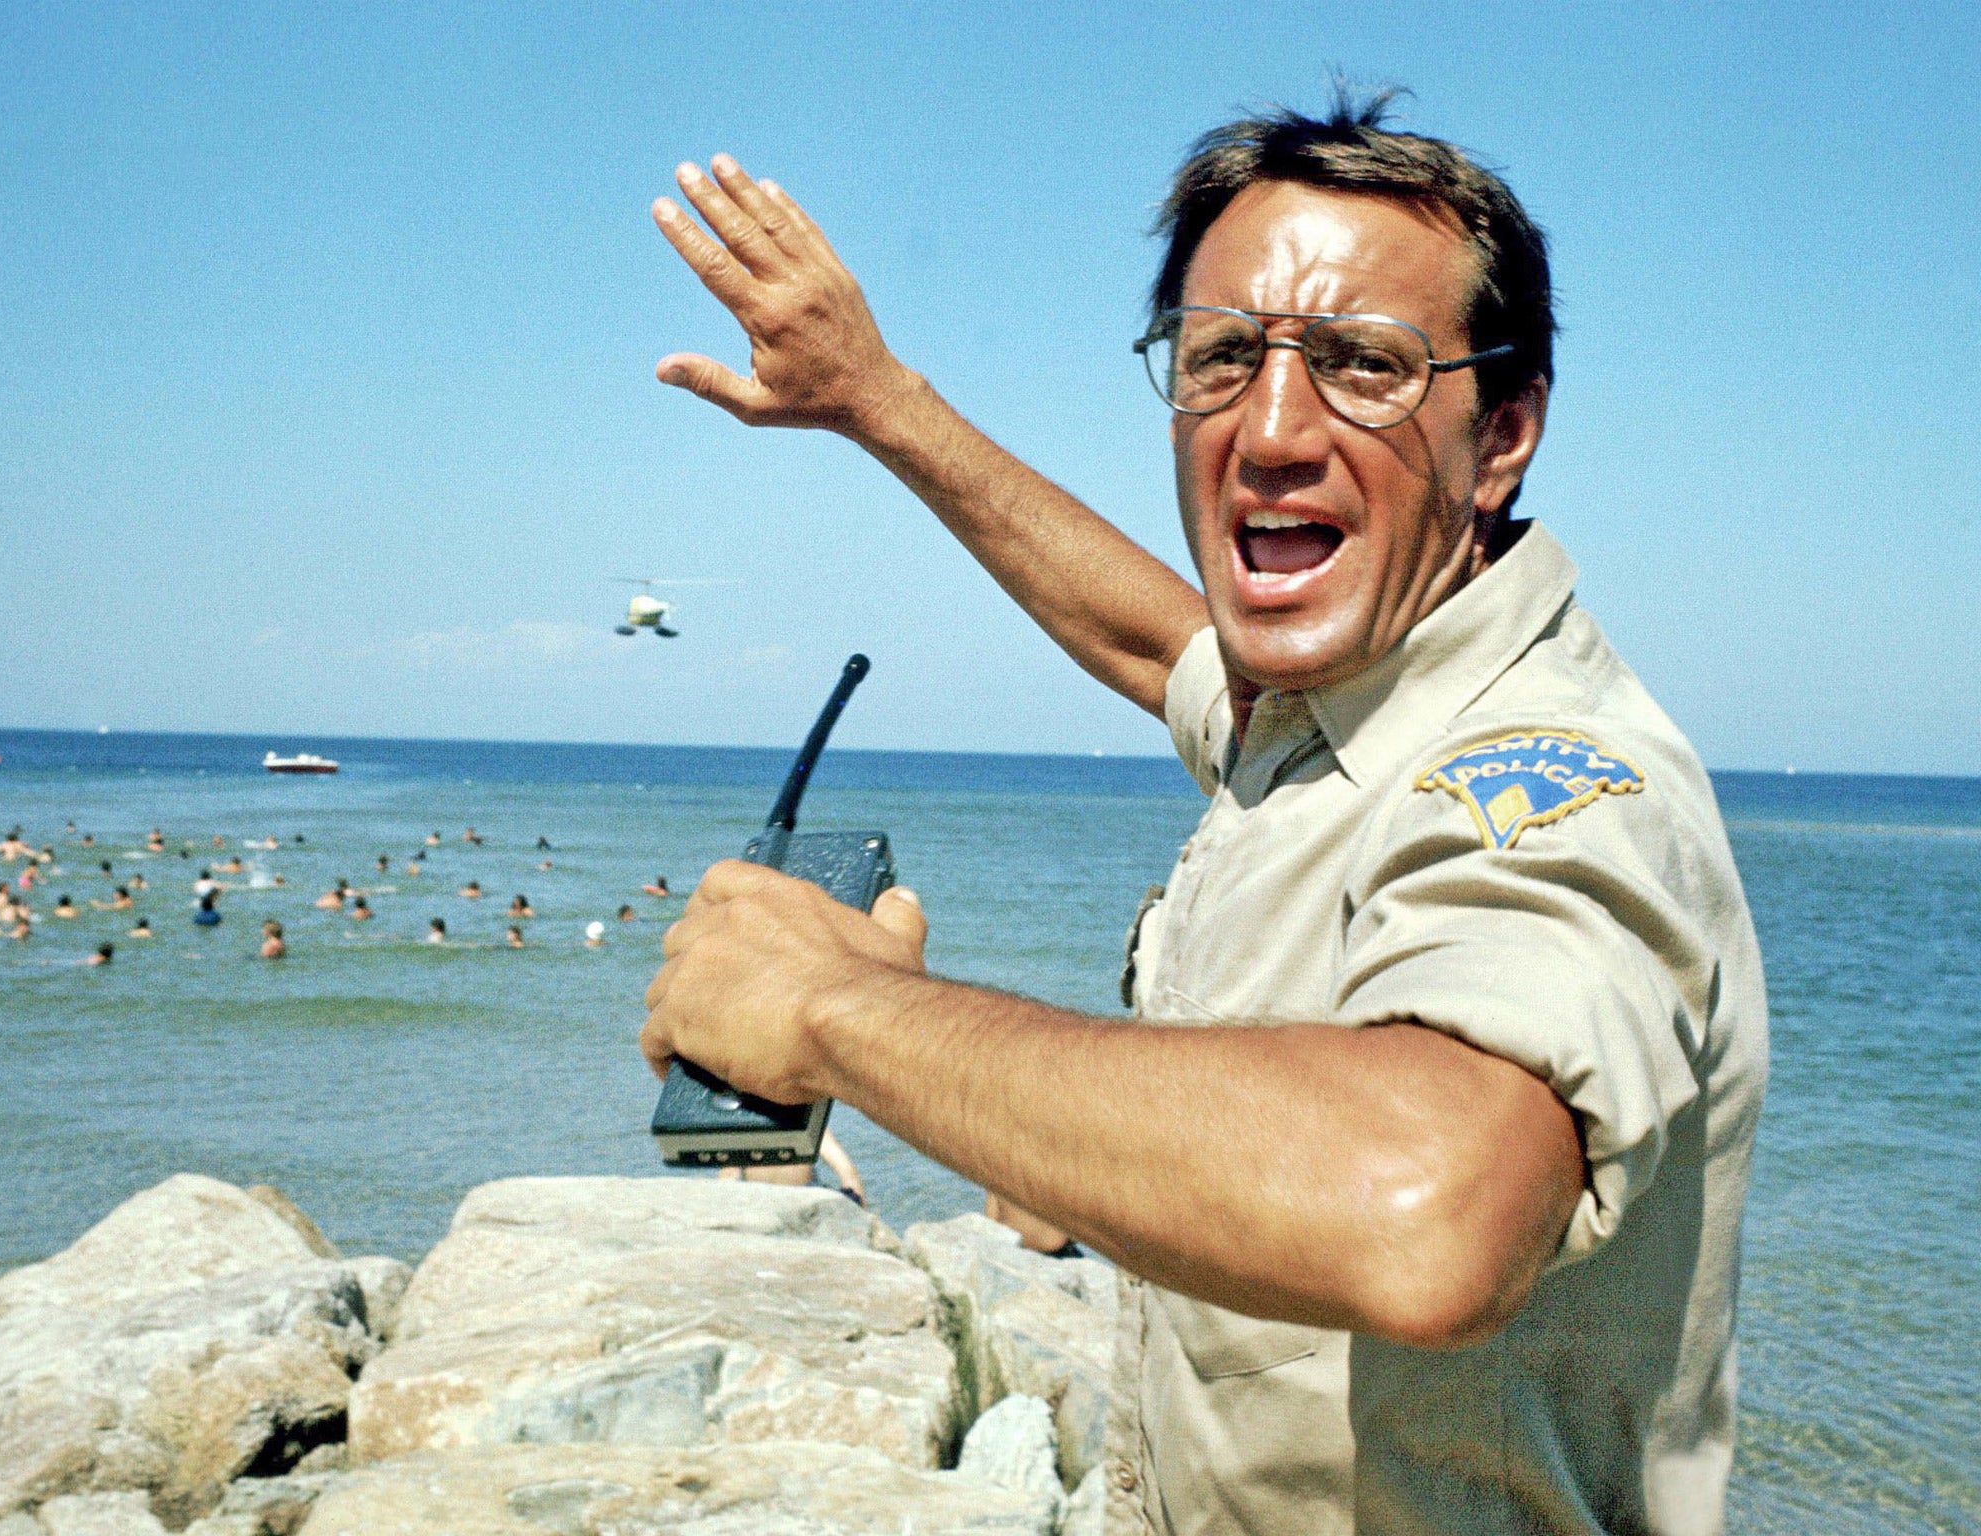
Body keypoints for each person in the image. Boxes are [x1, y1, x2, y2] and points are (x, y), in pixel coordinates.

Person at [638, 97, 1766, 1536]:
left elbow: (1431, 1207)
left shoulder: (1554, 775)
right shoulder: (1325, 703)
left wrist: (836, 1012)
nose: (1272, 431)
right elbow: (1142, 636)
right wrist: (877, 399)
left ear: (1504, 436)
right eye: (1221, 358)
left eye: (1366, 365)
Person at [719, 1125, 866, 1207]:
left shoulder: (745, 1125)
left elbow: (727, 1179)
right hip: (803, 1198)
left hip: (761, 1199)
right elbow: (848, 1173)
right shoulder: (806, 1122)